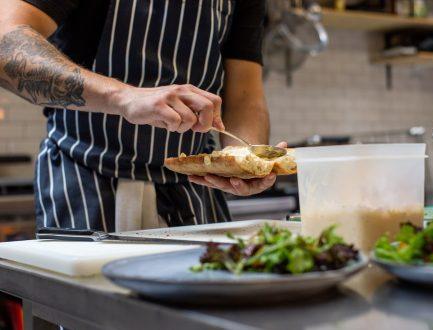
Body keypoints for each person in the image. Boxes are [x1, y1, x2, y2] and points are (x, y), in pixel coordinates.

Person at [0, 0, 284, 231]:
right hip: (85, 182)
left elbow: (245, 93)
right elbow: (5, 45)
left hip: (194, 192)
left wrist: (244, 159)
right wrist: (124, 97)